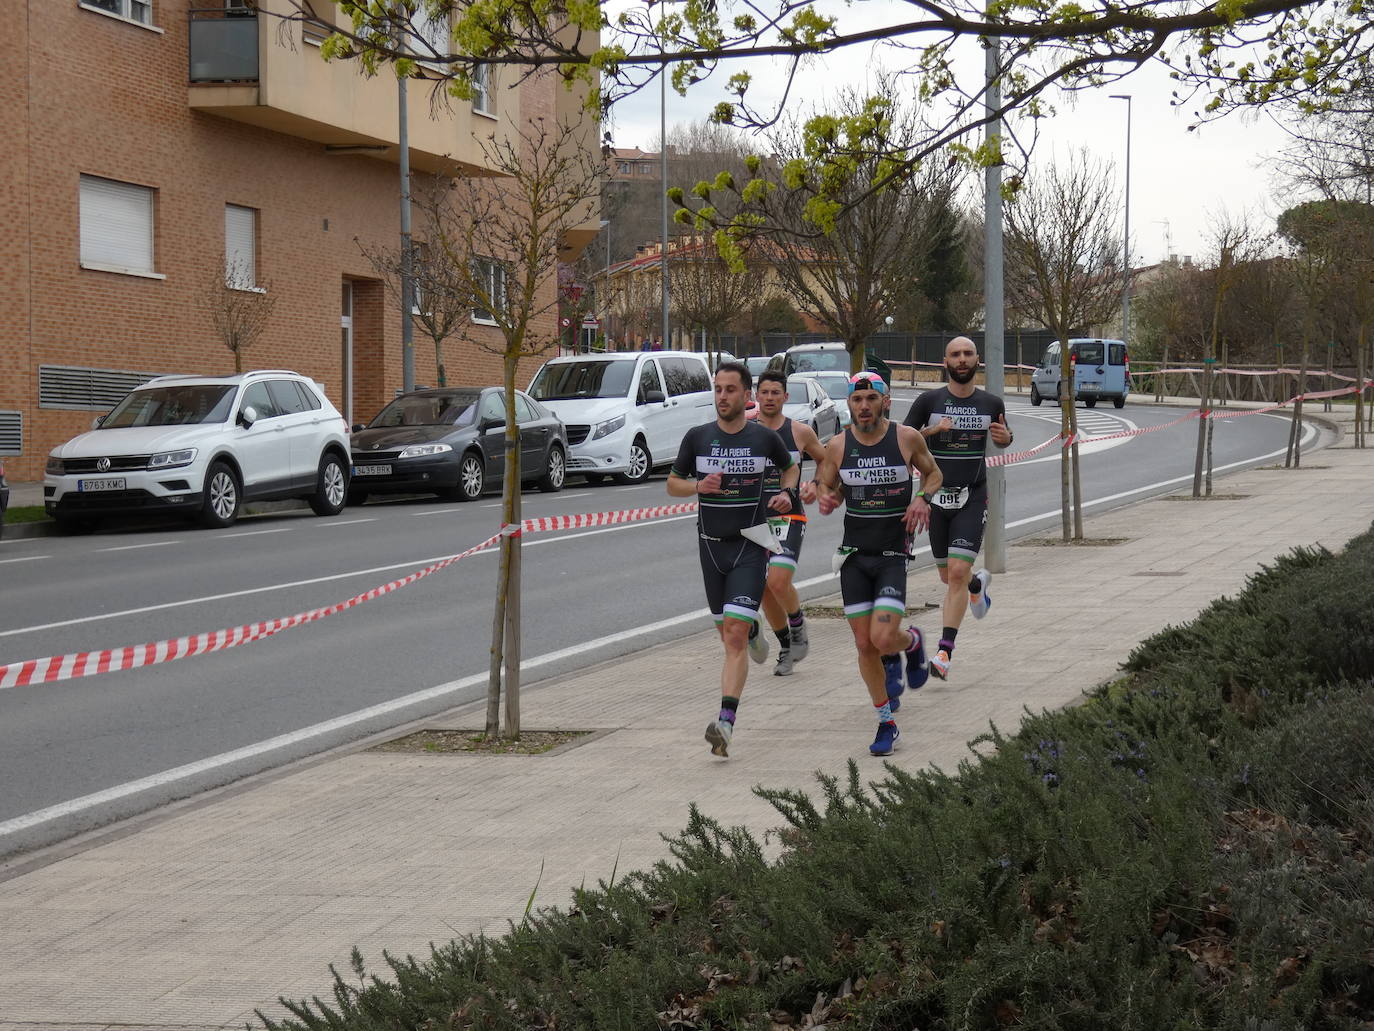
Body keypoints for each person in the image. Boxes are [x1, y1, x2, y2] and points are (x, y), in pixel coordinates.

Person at [667, 361, 801, 758]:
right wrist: (696, 485)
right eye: (718, 389)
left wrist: (787, 495)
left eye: (730, 390)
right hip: (711, 548)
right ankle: (754, 630)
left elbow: (790, 470)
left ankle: (726, 722)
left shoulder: (763, 439)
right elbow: (672, 484)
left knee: (734, 637)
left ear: (747, 396)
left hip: (749, 545)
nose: (722, 396)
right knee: (729, 633)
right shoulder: (698, 437)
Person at [810, 372, 942, 757]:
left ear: (885, 401)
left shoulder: (905, 438)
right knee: (864, 644)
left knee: (884, 638)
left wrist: (922, 499)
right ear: (848, 404)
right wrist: (826, 496)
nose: (864, 405)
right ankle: (887, 721)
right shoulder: (838, 445)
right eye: (857, 399)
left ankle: (912, 642)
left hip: (891, 554)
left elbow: (934, 472)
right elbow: (826, 483)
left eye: (872, 397)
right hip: (853, 555)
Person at [898, 335, 1013, 681]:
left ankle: (945, 652)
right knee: (950, 577)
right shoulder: (928, 400)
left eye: (967, 354)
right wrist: (935, 429)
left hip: (972, 495)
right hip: (934, 498)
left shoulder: (991, 402)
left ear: (977, 360)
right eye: (955, 355)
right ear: (945, 362)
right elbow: (905, 439)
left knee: (957, 574)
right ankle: (977, 588)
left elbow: (1005, 435)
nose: (961, 359)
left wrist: (1005, 438)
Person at [753, 369, 830, 676]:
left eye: (776, 393)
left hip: (790, 516)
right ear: (755, 396)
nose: (770, 398)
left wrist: (816, 485)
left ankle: (797, 625)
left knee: (778, 580)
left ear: (785, 397)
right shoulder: (745, 431)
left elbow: (825, 460)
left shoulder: (799, 431)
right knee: (762, 589)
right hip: (755, 518)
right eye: (764, 392)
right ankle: (786, 645)